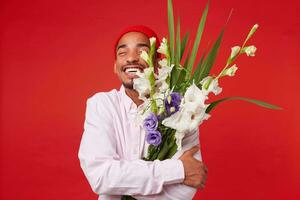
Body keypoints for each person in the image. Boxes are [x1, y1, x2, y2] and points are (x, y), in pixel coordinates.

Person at [78, 25, 208, 200]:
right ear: (115, 67)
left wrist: (122, 180)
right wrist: (178, 170)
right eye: (122, 53)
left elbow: (186, 187)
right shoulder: (101, 104)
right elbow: (101, 177)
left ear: (157, 64)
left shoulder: (181, 109)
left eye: (143, 51)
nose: (131, 58)